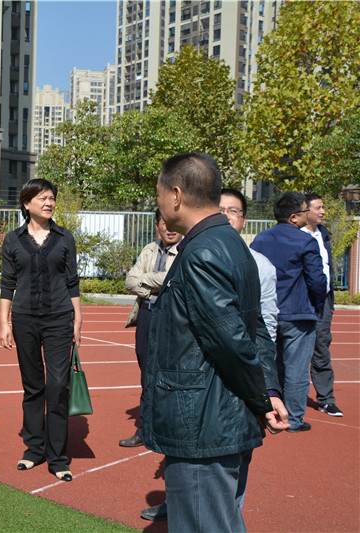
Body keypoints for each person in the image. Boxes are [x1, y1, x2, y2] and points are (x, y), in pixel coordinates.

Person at [145, 152, 289, 532]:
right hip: (218, 417)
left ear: (176, 195)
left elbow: (233, 342)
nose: (158, 202)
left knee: (203, 523)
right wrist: (268, 391)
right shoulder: (229, 243)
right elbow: (255, 330)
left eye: (159, 193)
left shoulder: (203, 252)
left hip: (203, 422)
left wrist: (263, 398)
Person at [0, 179, 82, 482]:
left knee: (58, 386)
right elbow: (8, 282)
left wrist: (78, 317)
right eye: (42, 198)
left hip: (59, 318)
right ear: (26, 203)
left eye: (52, 198)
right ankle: (34, 449)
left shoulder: (64, 237)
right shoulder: (12, 239)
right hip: (24, 319)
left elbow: (72, 280)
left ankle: (58, 457)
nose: (49, 203)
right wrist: (4, 322)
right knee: (33, 386)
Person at [251, 192, 327, 433]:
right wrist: (317, 306)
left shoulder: (260, 239)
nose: (309, 214)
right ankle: (293, 418)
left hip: (267, 311)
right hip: (298, 313)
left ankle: (269, 411)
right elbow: (317, 280)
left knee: (270, 364)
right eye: (306, 211)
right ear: (294, 217)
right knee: (297, 369)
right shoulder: (306, 241)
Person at [120, 209, 180, 449]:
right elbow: (130, 281)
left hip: (172, 317)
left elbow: (174, 279)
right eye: (164, 223)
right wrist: (154, 287)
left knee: (171, 371)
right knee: (146, 372)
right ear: (157, 225)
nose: (169, 228)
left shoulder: (186, 250)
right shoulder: (149, 249)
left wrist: (147, 280)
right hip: (146, 313)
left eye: (174, 223)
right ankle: (144, 428)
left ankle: (171, 427)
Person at [302, 193, 342, 417]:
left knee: (321, 349)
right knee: (290, 349)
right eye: (318, 207)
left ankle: (326, 400)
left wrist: (330, 302)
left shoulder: (324, 234)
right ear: (305, 210)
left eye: (323, 207)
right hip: (300, 301)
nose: (323, 211)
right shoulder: (296, 235)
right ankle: (284, 396)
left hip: (323, 302)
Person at [220, 189, 279, 343]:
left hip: (244, 350)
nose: (226, 216)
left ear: (244, 220)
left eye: (233, 211)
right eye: (220, 210)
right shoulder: (196, 257)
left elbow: (267, 320)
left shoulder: (261, 265)